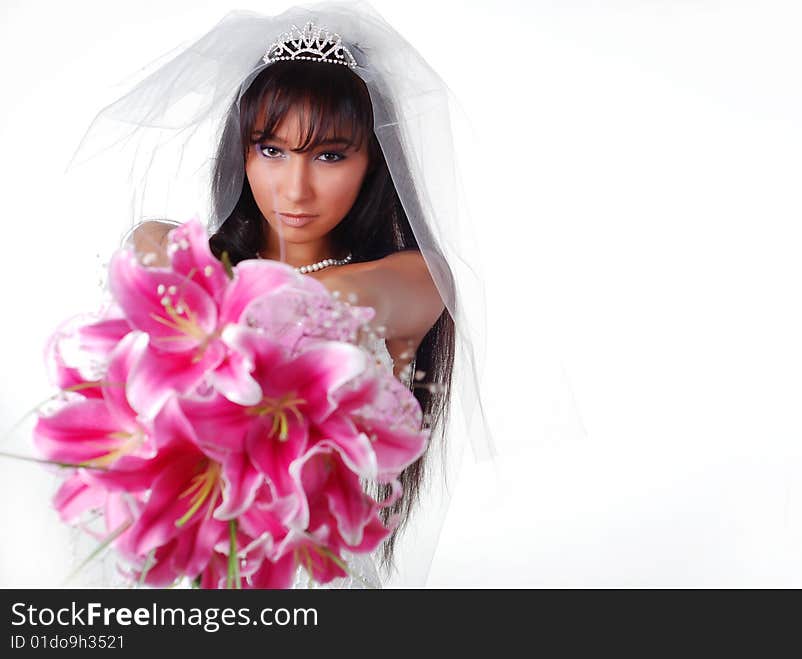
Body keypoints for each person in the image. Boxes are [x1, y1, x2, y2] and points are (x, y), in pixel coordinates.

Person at [72, 0, 497, 588]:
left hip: (313, 575)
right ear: (241, 149)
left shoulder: (415, 279)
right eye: (271, 149)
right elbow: (146, 250)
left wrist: (191, 332)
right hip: (189, 561)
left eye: (329, 155)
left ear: (375, 160)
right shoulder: (170, 247)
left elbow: (312, 303)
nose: (294, 188)